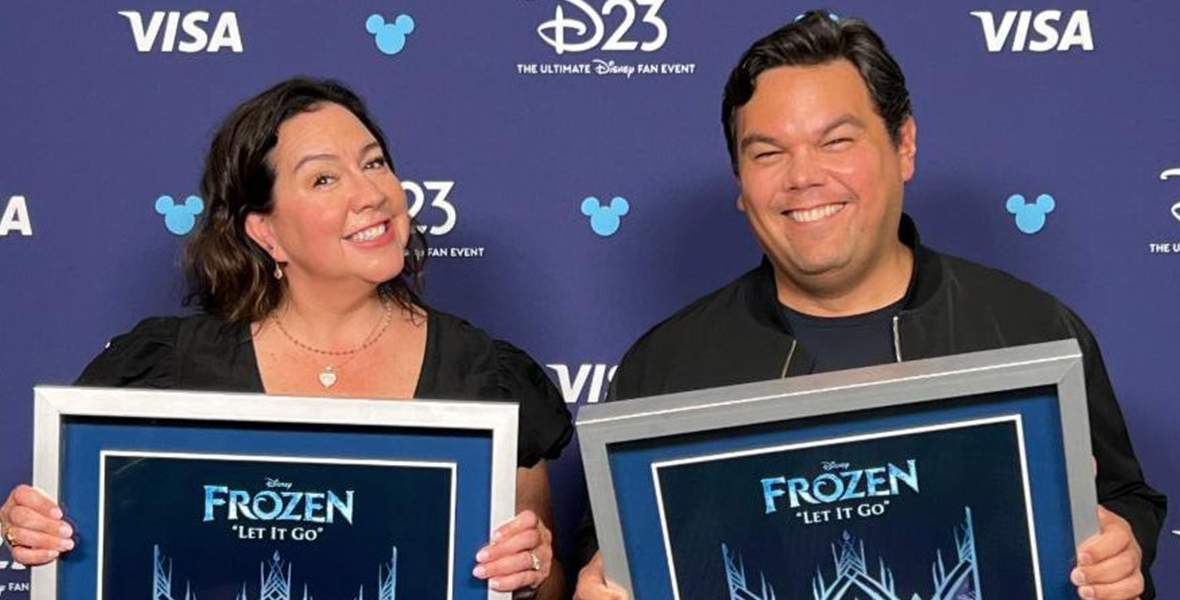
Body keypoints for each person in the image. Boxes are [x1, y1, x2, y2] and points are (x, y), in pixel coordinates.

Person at [574, 10, 1166, 600]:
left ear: (903, 144)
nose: (803, 177)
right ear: (740, 180)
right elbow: (610, 557)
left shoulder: (1031, 329)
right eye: (767, 153)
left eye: (836, 142)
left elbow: (1121, 499)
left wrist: (1123, 544)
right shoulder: (665, 367)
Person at [0, 78, 571, 598]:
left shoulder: (485, 376)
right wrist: (33, 528)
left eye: (374, 164)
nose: (370, 194)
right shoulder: (162, 368)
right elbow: (90, 548)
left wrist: (534, 571)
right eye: (324, 178)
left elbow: (537, 588)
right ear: (265, 231)